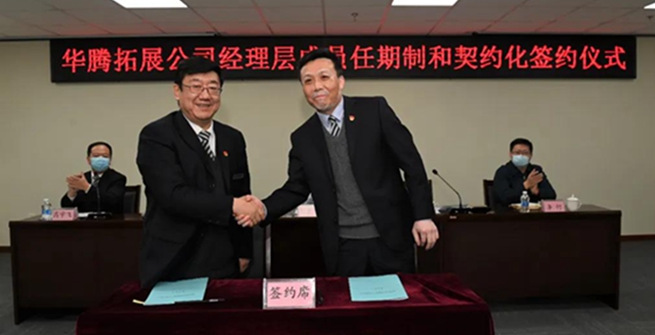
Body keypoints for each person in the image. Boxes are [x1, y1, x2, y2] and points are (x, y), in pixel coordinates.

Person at [238, 49, 438, 277]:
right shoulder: (303, 137)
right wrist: (263, 208)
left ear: (341, 81)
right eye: (308, 81)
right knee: (345, 300)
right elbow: (296, 188)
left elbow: (412, 164)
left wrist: (423, 215)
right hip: (343, 246)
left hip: (390, 238)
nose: (317, 86)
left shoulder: (374, 110)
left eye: (324, 77)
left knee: (397, 299)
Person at [136, 57, 262, 288]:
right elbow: (172, 195)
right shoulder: (157, 135)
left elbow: (242, 193)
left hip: (224, 257)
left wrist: (244, 251)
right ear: (177, 91)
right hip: (174, 258)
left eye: (213, 88)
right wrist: (231, 205)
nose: (205, 95)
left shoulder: (233, 138)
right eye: (196, 86)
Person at [61, 141, 126, 213]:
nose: (100, 159)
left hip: (109, 219)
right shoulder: (83, 178)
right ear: (88, 160)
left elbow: (111, 202)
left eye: (105, 156)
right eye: (96, 156)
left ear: (110, 160)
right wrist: (72, 193)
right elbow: (65, 207)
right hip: (84, 219)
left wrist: (87, 187)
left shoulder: (117, 178)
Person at [492, 138, 556, 210]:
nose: (521, 156)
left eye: (525, 153)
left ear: (530, 155)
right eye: (517, 153)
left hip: (534, 213)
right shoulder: (503, 172)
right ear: (510, 154)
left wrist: (537, 191)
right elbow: (505, 197)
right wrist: (526, 185)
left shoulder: (535, 171)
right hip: (509, 214)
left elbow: (552, 195)